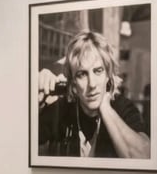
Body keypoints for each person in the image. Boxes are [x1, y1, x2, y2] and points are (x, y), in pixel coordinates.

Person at [37, 31, 150, 159]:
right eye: (82, 74)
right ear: (73, 82)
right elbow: (21, 143)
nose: (92, 84)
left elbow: (145, 156)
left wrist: (105, 107)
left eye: (98, 71)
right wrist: (35, 102)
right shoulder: (61, 109)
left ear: (108, 74)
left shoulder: (122, 107)